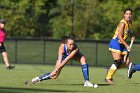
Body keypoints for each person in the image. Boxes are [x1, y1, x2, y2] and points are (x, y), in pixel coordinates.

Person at [30, 36, 95, 87]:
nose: (72, 46)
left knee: (83, 59)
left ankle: (87, 81)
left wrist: (55, 70)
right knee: (54, 76)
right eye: (70, 45)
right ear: (66, 44)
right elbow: (60, 60)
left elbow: (67, 59)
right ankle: (38, 78)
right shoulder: (61, 47)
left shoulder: (75, 48)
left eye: (73, 44)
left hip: (73, 55)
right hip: (64, 56)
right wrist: (55, 70)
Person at [105, 8, 135, 84]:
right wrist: (127, 46)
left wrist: (131, 36)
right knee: (118, 62)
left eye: (130, 14)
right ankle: (108, 78)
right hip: (116, 43)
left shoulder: (129, 23)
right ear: (124, 15)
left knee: (126, 62)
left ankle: (110, 69)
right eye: (127, 14)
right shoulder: (122, 23)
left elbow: (127, 32)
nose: (128, 15)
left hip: (121, 44)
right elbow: (119, 37)